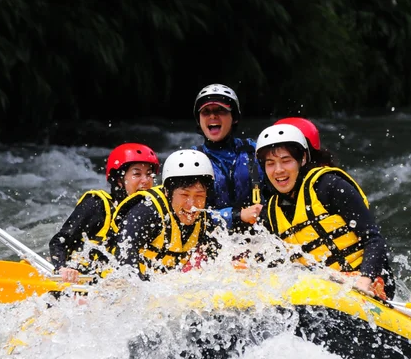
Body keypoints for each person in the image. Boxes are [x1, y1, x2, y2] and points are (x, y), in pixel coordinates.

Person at [254, 123, 396, 300]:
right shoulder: (269, 213)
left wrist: (364, 281)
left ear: (303, 159)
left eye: (286, 160)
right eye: (270, 164)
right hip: (321, 290)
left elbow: (373, 239)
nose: (279, 170)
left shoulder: (329, 186)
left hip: (367, 283)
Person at [49, 143, 159, 282]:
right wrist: (62, 268)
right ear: (119, 180)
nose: (146, 181)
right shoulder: (97, 204)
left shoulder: (150, 213)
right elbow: (59, 241)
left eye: (149, 174)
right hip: (81, 283)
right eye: (137, 174)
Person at [110, 149, 220, 278]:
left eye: (199, 196)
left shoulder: (204, 218)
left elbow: (219, 261)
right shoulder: (147, 211)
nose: (192, 205)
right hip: (113, 280)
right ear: (167, 192)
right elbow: (124, 257)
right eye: (184, 195)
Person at [190, 83, 264, 230]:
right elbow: (188, 214)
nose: (212, 116)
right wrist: (237, 216)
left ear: (234, 117)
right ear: (199, 120)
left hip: (258, 236)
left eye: (220, 110)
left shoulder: (254, 151)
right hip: (212, 240)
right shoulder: (191, 160)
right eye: (206, 112)